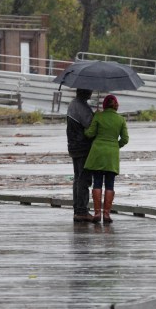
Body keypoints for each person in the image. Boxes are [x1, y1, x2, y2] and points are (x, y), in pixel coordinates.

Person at [84, 94, 129, 224]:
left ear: (104, 105)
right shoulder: (120, 119)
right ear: (116, 105)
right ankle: (107, 214)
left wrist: (88, 126)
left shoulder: (98, 116)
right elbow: (125, 139)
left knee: (97, 182)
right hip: (111, 155)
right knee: (110, 184)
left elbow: (90, 134)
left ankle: (97, 213)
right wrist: (115, 146)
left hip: (97, 153)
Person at [66, 88, 94, 222]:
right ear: (86, 92)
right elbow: (90, 126)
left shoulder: (72, 104)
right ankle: (82, 211)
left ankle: (77, 209)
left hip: (73, 146)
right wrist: (97, 116)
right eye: (90, 90)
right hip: (83, 147)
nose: (92, 92)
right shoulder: (82, 107)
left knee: (77, 178)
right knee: (84, 179)